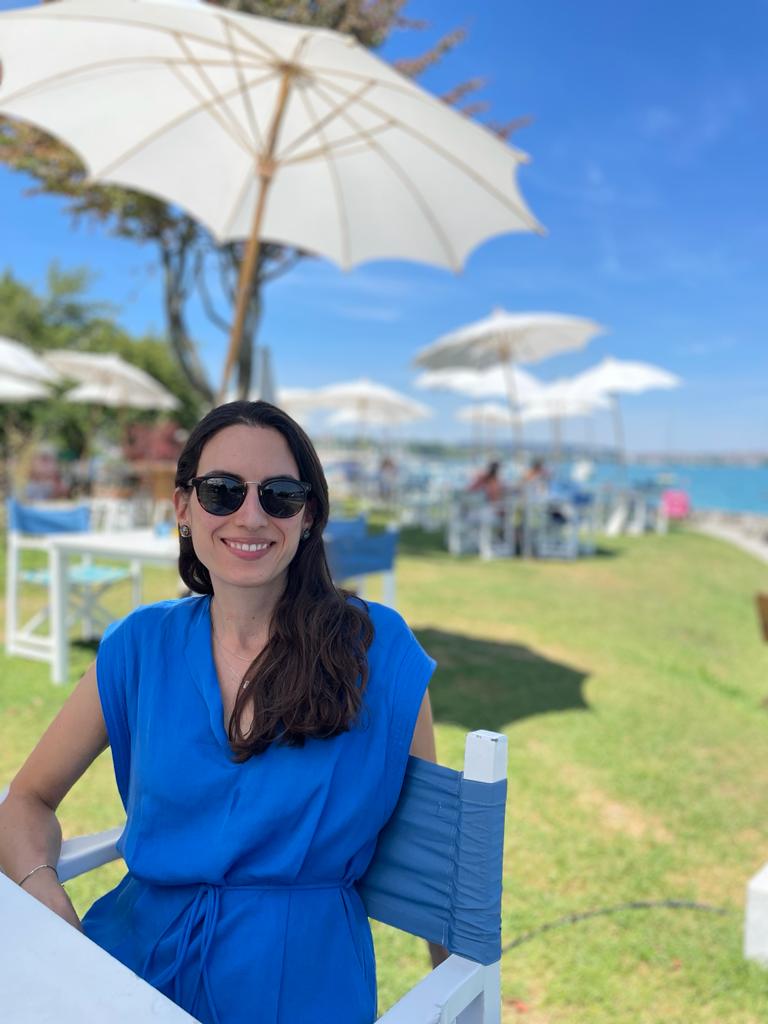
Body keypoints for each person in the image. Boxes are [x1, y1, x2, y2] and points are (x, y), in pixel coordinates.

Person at [0, 400, 439, 1024]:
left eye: (280, 494)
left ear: (309, 515)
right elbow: (26, 799)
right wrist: (51, 907)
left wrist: (457, 997)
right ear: (184, 508)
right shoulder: (138, 646)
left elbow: (434, 859)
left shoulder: (379, 652)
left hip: (297, 985)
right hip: (126, 972)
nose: (251, 514)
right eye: (222, 491)